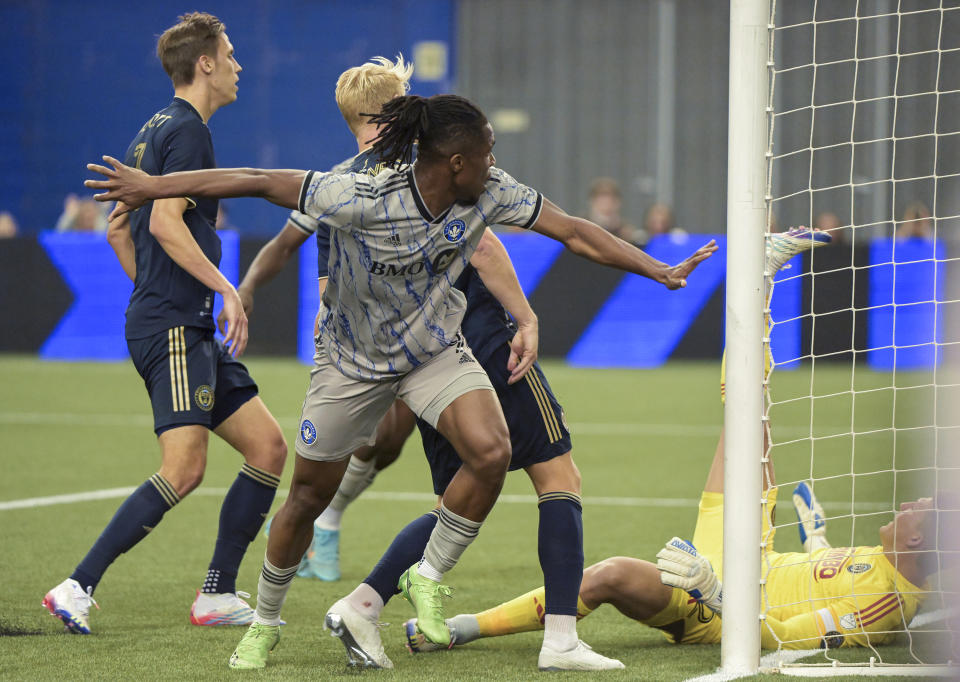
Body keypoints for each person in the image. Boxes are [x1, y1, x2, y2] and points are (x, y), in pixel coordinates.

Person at [85, 92, 719, 669]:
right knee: (306, 497)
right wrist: (153, 186)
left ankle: (428, 575)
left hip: (433, 352)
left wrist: (658, 270)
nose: (497, 162)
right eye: (488, 151)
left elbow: (575, 232)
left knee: (493, 451)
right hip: (351, 363)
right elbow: (254, 180)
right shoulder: (360, 193)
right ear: (455, 162)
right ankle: (268, 620)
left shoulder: (489, 189)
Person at [43, 12, 287, 635]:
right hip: (177, 325)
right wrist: (225, 288)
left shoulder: (150, 133)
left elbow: (117, 226)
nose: (238, 65)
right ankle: (77, 585)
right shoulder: (189, 135)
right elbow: (162, 223)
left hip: (182, 321)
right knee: (184, 469)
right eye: (230, 54)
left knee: (266, 447)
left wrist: (153, 287)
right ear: (204, 63)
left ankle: (216, 594)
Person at [236, 55, 418, 582]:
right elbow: (286, 241)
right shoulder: (337, 181)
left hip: (423, 329)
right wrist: (248, 286)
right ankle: (317, 527)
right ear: (388, 114)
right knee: (351, 451)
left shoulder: (428, 170)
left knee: (399, 437)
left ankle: (337, 523)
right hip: (358, 337)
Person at [586, 177, 642, 245]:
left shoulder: (626, 233)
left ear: (618, 203)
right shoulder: (582, 227)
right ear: (592, 201)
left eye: (611, 200)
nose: (606, 204)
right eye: (601, 200)